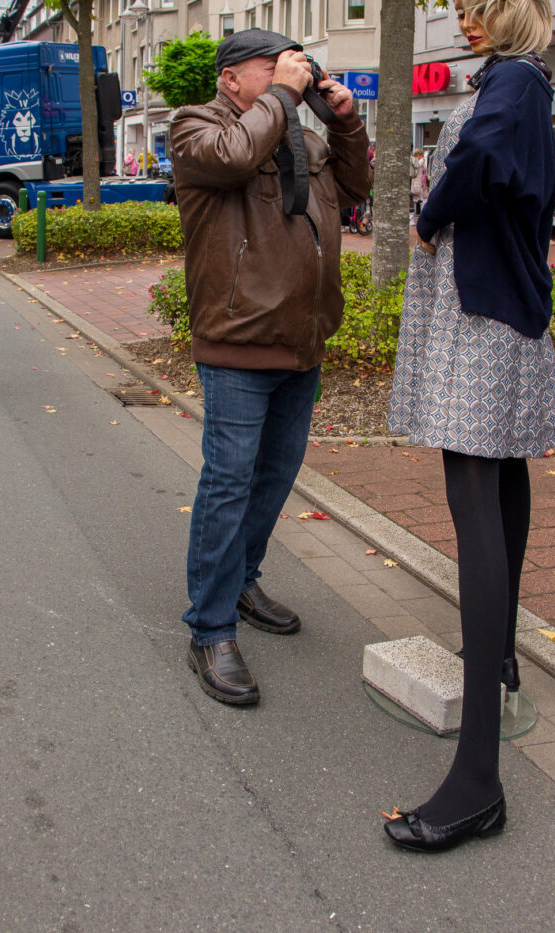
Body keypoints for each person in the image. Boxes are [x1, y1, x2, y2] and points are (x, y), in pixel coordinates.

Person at [385, 0, 555, 852]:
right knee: (498, 481)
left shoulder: (515, 83)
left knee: (475, 497)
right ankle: (497, 661)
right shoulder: (521, 81)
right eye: (459, 8)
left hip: (481, 311)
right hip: (492, 304)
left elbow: (485, 157)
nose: (464, 19)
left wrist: (428, 217)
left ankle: (477, 782)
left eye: (477, 6)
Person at [170, 28, 370, 705]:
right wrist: (284, 95)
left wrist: (344, 122)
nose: (293, 73)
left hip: (301, 337)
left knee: (275, 476)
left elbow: (356, 186)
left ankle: (241, 580)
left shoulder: (300, 136)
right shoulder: (196, 126)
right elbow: (233, 158)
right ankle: (210, 627)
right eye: (275, 65)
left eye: (297, 65)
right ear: (231, 77)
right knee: (229, 483)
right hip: (239, 337)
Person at [410, 147, 429, 218]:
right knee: (419, 199)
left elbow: (424, 169)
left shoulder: (423, 161)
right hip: (419, 183)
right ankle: (419, 215)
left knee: (423, 199)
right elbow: (417, 166)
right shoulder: (419, 161)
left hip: (422, 183)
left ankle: (423, 214)